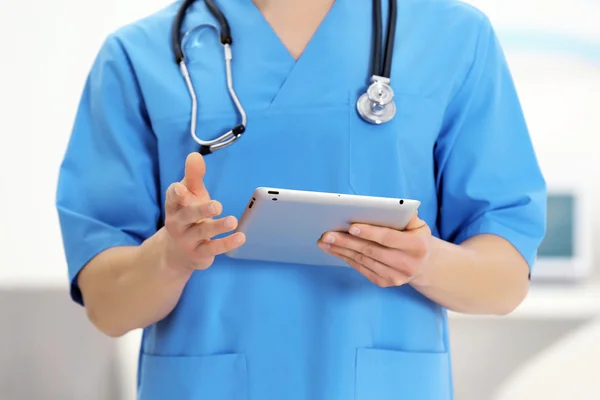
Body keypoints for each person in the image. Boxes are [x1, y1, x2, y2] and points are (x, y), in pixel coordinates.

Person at [56, 0, 546, 398]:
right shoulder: (141, 55)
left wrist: (422, 261)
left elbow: (504, 280)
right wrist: (170, 256)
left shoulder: (453, 38)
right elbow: (107, 305)